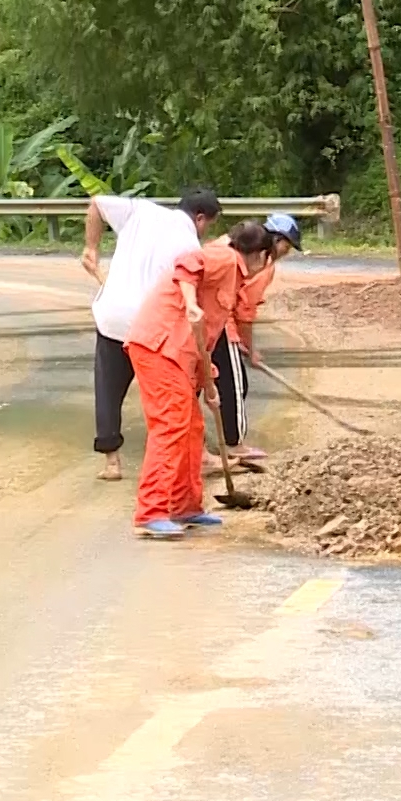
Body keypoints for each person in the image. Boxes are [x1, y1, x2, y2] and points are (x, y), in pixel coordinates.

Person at [124, 221, 274, 539]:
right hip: (160, 347)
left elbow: (207, 334)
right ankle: (151, 512)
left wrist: (208, 382)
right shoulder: (224, 258)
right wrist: (190, 302)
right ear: (260, 256)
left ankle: (185, 506)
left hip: (182, 355)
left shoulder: (231, 273)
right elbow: (187, 265)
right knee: (171, 427)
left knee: (192, 431)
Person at [81, 188, 221, 482]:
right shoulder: (190, 246)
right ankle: (197, 455)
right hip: (151, 329)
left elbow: (96, 203)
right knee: (175, 390)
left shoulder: (139, 211)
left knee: (108, 390)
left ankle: (112, 463)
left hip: (112, 318)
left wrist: (91, 248)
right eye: (208, 223)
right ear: (199, 218)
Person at [206, 212, 302, 469]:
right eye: (288, 245)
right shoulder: (261, 261)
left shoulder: (226, 242)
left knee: (203, 382)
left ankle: (196, 442)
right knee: (235, 385)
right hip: (218, 320)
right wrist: (249, 347)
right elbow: (244, 313)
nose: (286, 252)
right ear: (277, 239)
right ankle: (234, 443)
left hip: (202, 316)